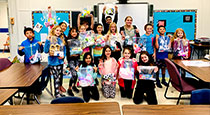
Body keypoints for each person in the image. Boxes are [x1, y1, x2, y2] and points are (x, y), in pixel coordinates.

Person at [44, 25, 66, 98]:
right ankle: (57, 94)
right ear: (53, 30)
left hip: (60, 62)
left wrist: (63, 56)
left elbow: (64, 50)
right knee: (56, 78)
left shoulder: (61, 39)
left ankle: (58, 92)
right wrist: (47, 40)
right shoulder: (50, 39)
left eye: (60, 31)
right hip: (53, 62)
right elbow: (46, 50)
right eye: (57, 30)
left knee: (59, 78)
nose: (58, 32)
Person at [65, 27, 80, 96]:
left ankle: (74, 86)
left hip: (77, 59)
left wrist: (79, 52)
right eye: (72, 32)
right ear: (70, 33)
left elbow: (79, 50)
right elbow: (67, 52)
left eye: (75, 31)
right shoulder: (68, 41)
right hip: (71, 59)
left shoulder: (78, 40)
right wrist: (71, 55)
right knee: (73, 74)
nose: (74, 33)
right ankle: (69, 88)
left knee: (77, 73)